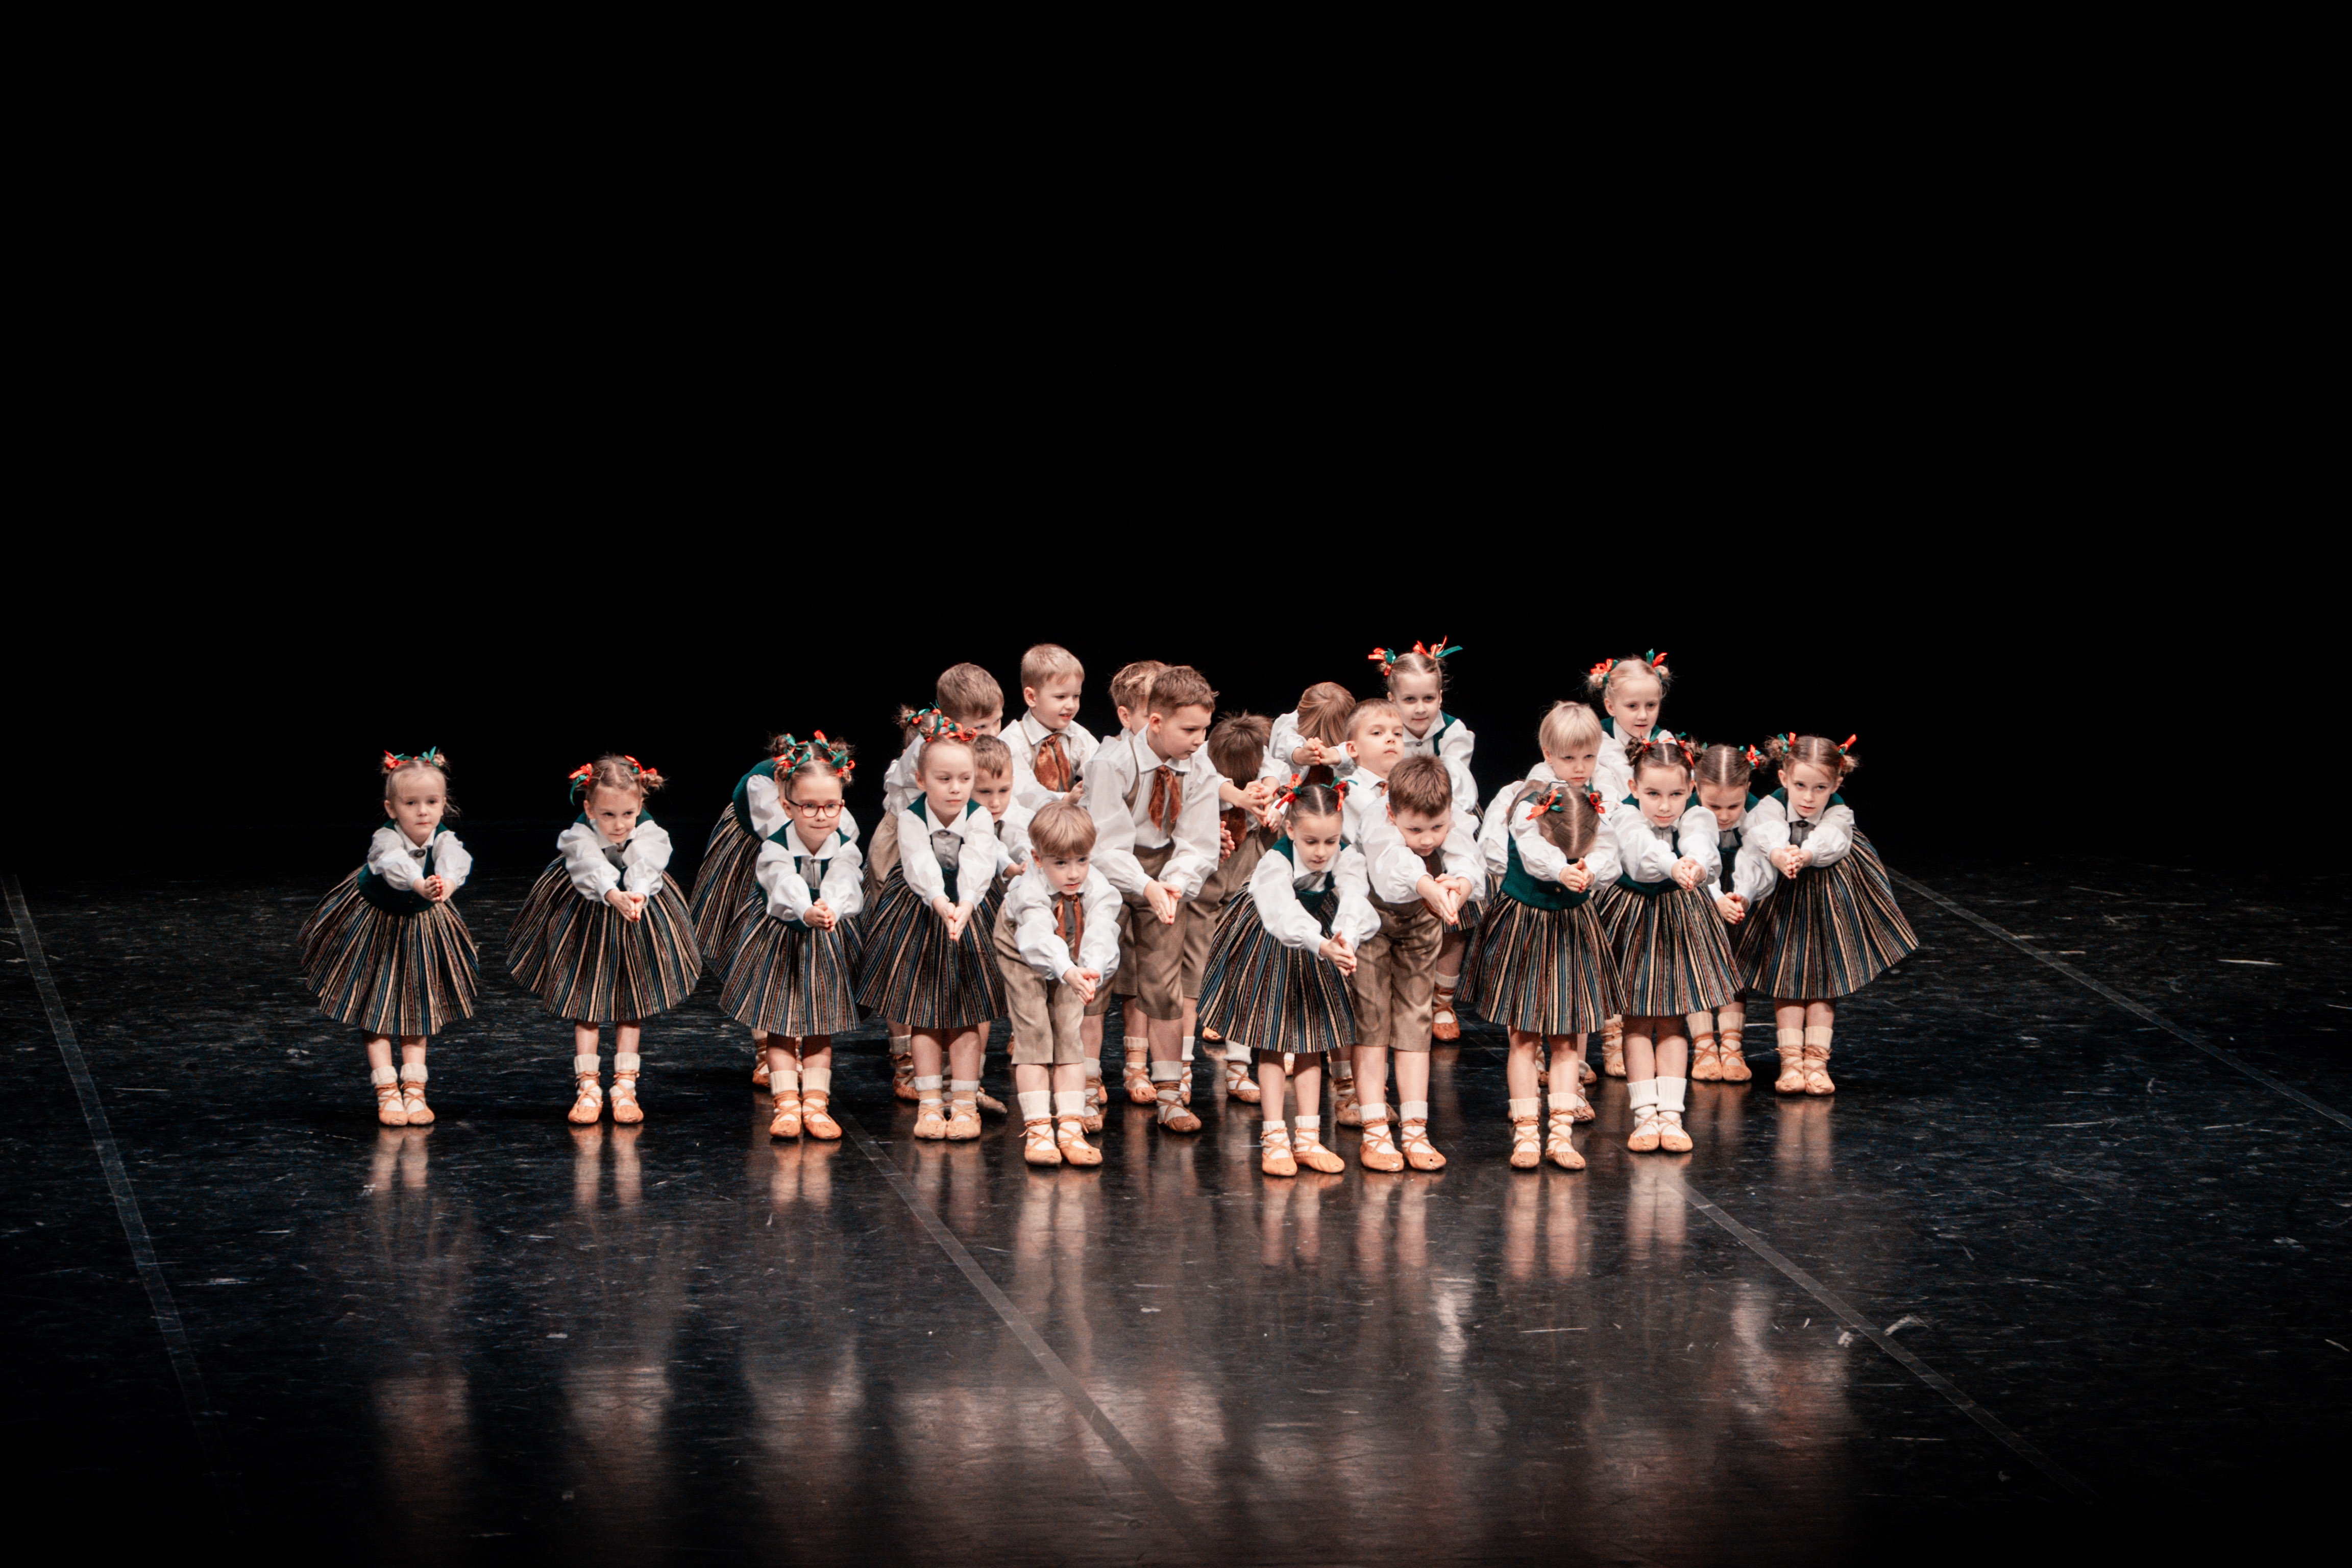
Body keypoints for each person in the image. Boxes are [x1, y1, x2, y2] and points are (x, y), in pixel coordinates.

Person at [298, 749, 478, 1125]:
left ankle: (415, 1090)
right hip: (375, 923)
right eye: (411, 803)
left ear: (444, 804)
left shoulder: (444, 839)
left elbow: (455, 862)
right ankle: (386, 1090)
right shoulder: (386, 839)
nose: (423, 812)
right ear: (392, 808)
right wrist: (420, 884)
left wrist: (446, 884)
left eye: (431, 802)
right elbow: (395, 865)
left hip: (418, 925)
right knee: (376, 1003)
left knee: (417, 1003)